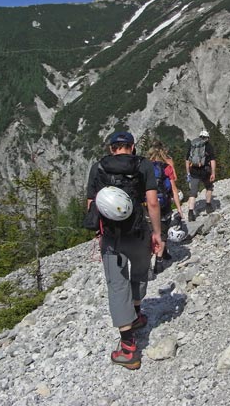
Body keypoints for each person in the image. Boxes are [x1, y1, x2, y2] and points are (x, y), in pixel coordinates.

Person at [86, 131, 162, 370]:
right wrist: (157, 233)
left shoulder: (98, 167)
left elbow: (92, 204)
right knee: (139, 274)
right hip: (138, 231)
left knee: (117, 286)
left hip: (111, 237)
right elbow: (152, 202)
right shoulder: (144, 165)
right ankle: (137, 315)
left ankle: (128, 348)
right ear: (132, 147)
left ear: (111, 148)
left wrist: (98, 234)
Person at [147, 140, 184, 274]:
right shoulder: (167, 166)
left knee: (150, 231)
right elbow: (174, 189)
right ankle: (159, 261)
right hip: (164, 205)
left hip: (147, 205)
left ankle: (147, 261)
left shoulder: (145, 167)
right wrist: (179, 208)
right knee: (162, 233)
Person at [185, 129, 216, 221]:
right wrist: (213, 172)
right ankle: (208, 206)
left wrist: (188, 173)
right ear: (207, 138)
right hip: (205, 171)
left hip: (194, 171)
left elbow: (187, 160)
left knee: (193, 193)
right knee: (209, 187)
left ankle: (190, 212)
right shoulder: (208, 146)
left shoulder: (193, 145)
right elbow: (212, 161)